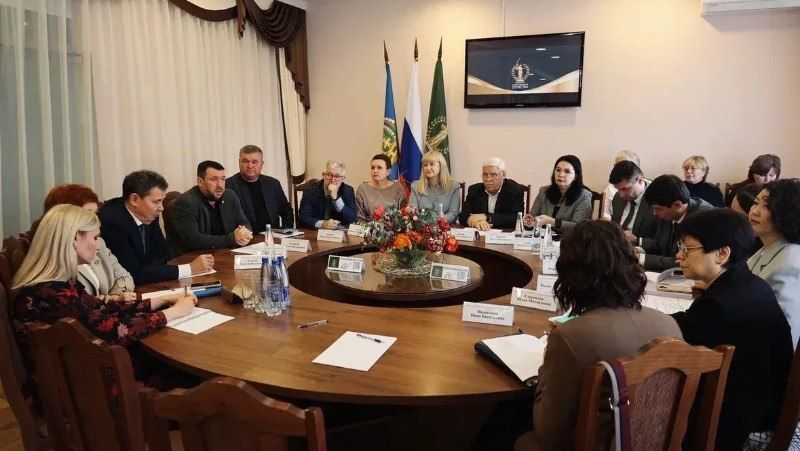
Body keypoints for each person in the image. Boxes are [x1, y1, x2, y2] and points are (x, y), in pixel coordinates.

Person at [511, 220, 682, 450]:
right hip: (657, 444)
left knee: (509, 429)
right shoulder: (670, 326)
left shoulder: (570, 337)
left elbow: (549, 435)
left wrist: (546, 367)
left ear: (570, 274)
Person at [12, 205, 198, 382]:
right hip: (94, 388)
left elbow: (103, 308)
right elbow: (116, 331)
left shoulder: (55, 286)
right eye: (95, 238)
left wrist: (162, 299)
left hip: (81, 375)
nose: (98, 246)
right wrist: (174, 312)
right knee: (184, 367)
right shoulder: (56, 295)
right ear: (75, 238)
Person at [671, 208, 792, 450]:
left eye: (688, 249)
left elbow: (677, 340)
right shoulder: (751, 283)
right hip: (764, 414)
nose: (679, 256)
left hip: (739, 431)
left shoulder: (719, 305)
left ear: (722, 254)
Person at [98, 170, 214, 285]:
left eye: (162, 201)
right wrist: (190, 268)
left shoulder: (147, 214)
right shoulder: (113, 223)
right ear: (134, 199)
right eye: (156, 202)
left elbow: (163, 253)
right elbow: (133, 274)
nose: (161, 208)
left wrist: (151, 270)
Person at [28, 184, 134, 296]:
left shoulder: (98, 242)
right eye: (88, 213)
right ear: (67, 218)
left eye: (96, 213)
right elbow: (79, 301)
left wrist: (115, 297)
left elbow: (125, 277)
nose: (96, 219)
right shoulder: (55, 273)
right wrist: (109, 301)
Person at [748, 179, 800, 348]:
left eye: (767, 206)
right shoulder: (765, 248)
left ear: (787, 213)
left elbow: (785, 332)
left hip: (764, 353)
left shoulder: (791, 263)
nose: (755, 211)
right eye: (755, 202)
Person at [167, 160, 253, 255]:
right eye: (214, 179)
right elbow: (193, 240)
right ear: (200, 182)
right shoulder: (186, 202)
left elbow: (244, 222)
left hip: (224, 253)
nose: (220, 185)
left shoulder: (230, 196)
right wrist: (232, 239)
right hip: (193, 257)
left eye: (223, 179)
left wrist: (244, 233)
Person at [640, 174, 713, 271]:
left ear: (678, 205)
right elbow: (659, 245)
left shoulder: (704, 218)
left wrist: (641, 259)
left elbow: (686, 262)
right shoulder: (668, 213)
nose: (654, 213)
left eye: (658, 209)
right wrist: (636, 251)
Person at [225, 144, 294, 233]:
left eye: (254, 162)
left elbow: (287, 212)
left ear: (262, 164)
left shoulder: (273, 184)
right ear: (239, 163)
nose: (250, 166)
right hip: (245, 238)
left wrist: (285, 232)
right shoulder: (228, 185)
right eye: (245, 161)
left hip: (272, 236)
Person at [523, 155, 592, 232]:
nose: (561, 175)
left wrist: (552, 222)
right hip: (543, 237)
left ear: (575, 176)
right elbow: (533, 216)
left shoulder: (584, 196)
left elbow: (579, 227)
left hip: (568, 238)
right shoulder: (544, 191)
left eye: (567, 171)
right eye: (558, 170)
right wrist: (529, 220)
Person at [458, 156, 525, 230]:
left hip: (504, 234)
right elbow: (463, 216)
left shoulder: (515, 190)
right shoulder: (474, 190)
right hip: (481, 233)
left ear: (503, 175)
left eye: (493, 175)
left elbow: (516, 218)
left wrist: (487, 217)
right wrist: (477, 222)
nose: (488, 179)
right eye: (485, 174)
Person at [608, 161, 658, 250]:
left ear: (640, 180)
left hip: (643, 252)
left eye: (625, 189)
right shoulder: (617, 198)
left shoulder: (657, 200)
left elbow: (662, 244)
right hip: (617, 249)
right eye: (618, 189)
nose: (621, 194)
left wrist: (637, 240)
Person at [298, 160, 357, 229]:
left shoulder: (348, 190)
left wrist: (336, 199)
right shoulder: (311, 191)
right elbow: (303, 218)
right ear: (324, 175)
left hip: (340, 232)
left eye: (337, 176)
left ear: (342, 179)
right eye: (329, 175)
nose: (332, 179)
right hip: (315, 232)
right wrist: (323, 224)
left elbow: (352, 218)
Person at [409, 150, 461, 224]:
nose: (428, 168)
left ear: (441, 166)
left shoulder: (454, 186)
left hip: (445, 227)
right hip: (422, 227)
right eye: (425, 165)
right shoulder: (415, 186)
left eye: (432, 164)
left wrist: (434, 221)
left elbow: (453, 214)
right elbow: (413, 211)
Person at [355, 154, 406, 221]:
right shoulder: (363, 189)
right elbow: (358, 217)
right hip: (366, 226)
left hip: (393, 226)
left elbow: (403, 215)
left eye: (379, 168)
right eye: (372, 167)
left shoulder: (398, 188)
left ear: (388, 172)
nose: (375, 171)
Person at [601, 150, 640, 220]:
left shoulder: (646, 190)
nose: (619, 169)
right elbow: (605, 212)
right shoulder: (610, 188)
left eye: (624, 166)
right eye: (616, 165)